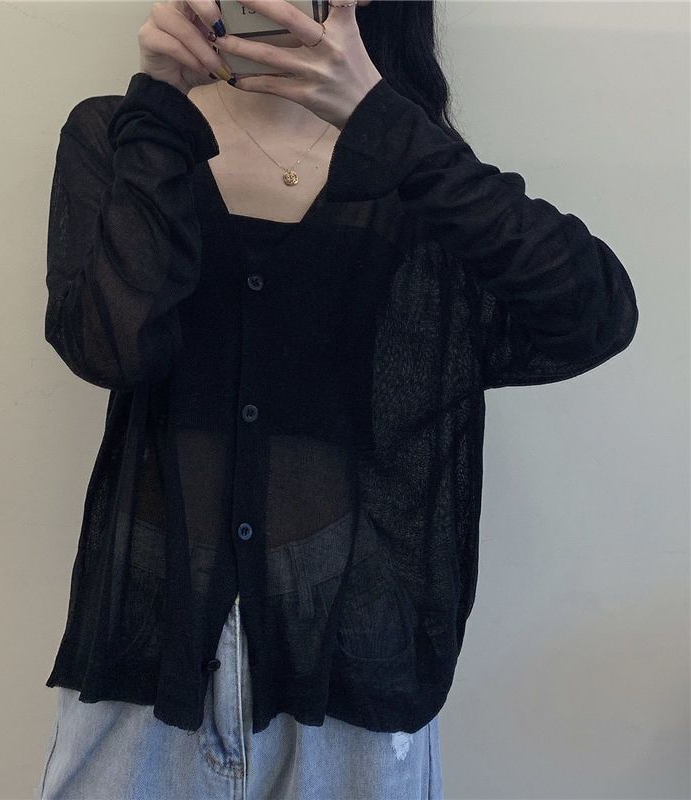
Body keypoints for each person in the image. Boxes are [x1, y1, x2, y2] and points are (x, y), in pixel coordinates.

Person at [36, 1, 638, 798]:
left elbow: (591, 314)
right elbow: (110, 346)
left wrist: (383, 121)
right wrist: (162, 102)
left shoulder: (411, 174)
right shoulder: (124, 133)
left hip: (350, 670)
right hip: (148, 664)